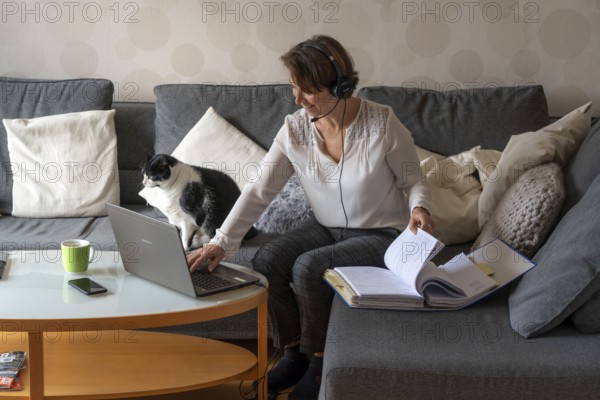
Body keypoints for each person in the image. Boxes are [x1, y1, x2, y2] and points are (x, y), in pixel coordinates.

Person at [187, 34, 434, 400]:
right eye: (293, 88)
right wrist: (220, 242)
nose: (298, 99)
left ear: (342, 85)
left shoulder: (381, 123)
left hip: (381, 234)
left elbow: (414, 181)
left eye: (309, 91)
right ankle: (293, 354)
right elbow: (259, 190)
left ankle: (318, 365)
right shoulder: (295, 130)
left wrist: (419, 208)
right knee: (268, 259)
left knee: (308, 267)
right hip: (323, 227)